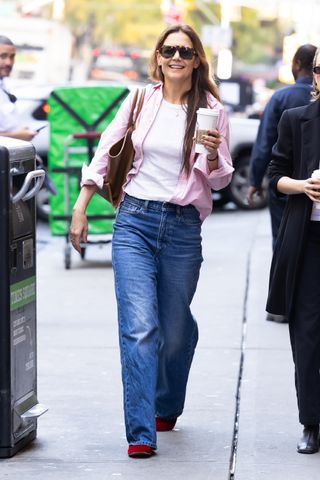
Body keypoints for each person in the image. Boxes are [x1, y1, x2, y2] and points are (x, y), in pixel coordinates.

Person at [70, 24, 233, 458]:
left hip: (183, 228)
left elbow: (220, 180)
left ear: (197, 59)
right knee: (141, 328)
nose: (176, 57)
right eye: (168, 50)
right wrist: (82, 205)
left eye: (184, 50)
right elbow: (107, 148)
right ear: (158, 57)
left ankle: (167, 400)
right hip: (135, 223)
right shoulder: (141, 99)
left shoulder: (212, 110)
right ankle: (141, 432)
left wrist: (213, 154)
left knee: (175, 333)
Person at [266, 46, 320, 454]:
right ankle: (311, 422)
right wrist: (301, 186)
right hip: (310, 242)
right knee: (306, 334)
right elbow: (274, 175)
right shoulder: (296, 118)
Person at [247, 44, 316, 324]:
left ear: (297, 64)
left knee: (283, 240)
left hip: (287, 192)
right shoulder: (294, 103)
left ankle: (284, 301)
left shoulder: (280, 97)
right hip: (296, 186)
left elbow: (265, 144)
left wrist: (255, 180)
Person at [0, 35, 37, 141]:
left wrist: (20, 131)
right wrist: (18, 136)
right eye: (3, 56)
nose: (9, 63)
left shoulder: (4, 85)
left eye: (12, 57)